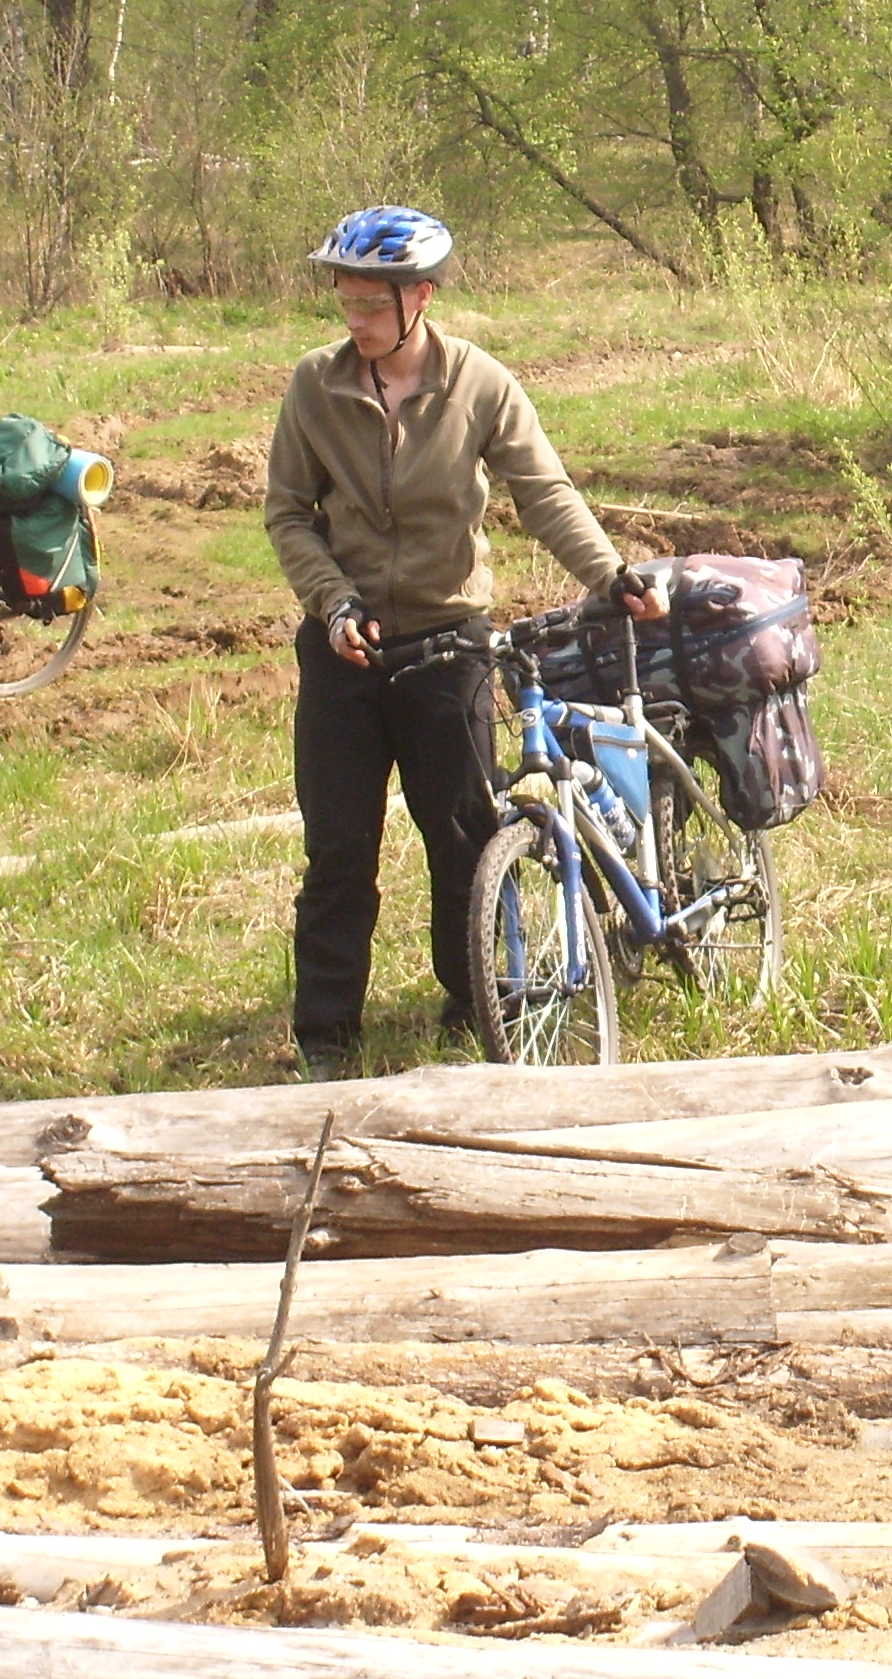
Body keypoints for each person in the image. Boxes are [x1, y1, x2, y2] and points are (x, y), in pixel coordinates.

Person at [261, 205, 666, 1083]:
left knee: (464, 838)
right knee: (338, 848)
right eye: (345, 300)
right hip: (345, 648)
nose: (354, 318)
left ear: (422, 297)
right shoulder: (314, 385)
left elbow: (544, 492)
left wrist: (610, 575)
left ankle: (469, 1002)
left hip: (449, 643)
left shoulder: (480, 383)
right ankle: (326, 1034)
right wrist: (332, 602)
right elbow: (288, 513)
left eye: (371, 303)